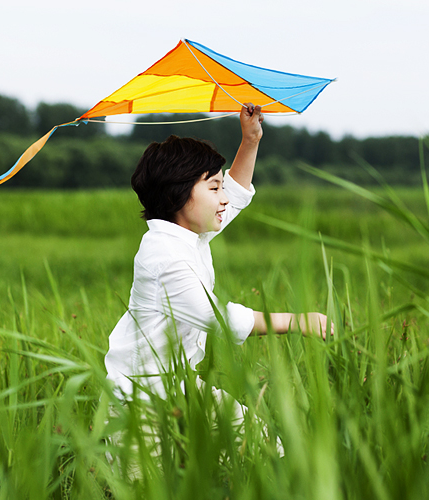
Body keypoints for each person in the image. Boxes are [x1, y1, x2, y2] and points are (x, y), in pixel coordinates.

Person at [104, 104, 333, 402]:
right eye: (214, 188)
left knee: (263, 443)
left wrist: (251, 140)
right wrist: (299, 321)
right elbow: (219, 319)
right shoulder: (164, 255)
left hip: (179, 387)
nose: (224, 198)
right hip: (140, 402)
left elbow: (235, 196)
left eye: (221, 186)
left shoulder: (188, 236)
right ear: (178, 194)